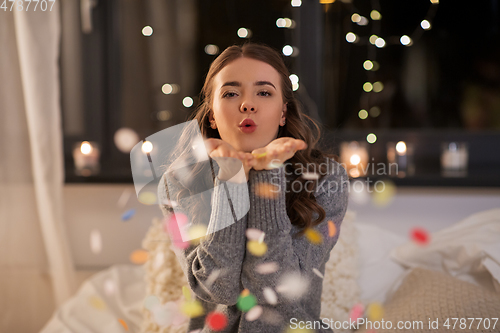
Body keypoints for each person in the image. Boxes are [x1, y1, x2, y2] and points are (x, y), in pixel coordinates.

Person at [157, 42, 348, 332]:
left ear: (283, 113)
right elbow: (218, 289)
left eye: (264, 92)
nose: (248, 104)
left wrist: (267, 174)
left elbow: (280, 290)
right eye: (231, 93)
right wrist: (231, 179)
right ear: (211, 115)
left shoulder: (326, 179)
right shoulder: (178, 183)